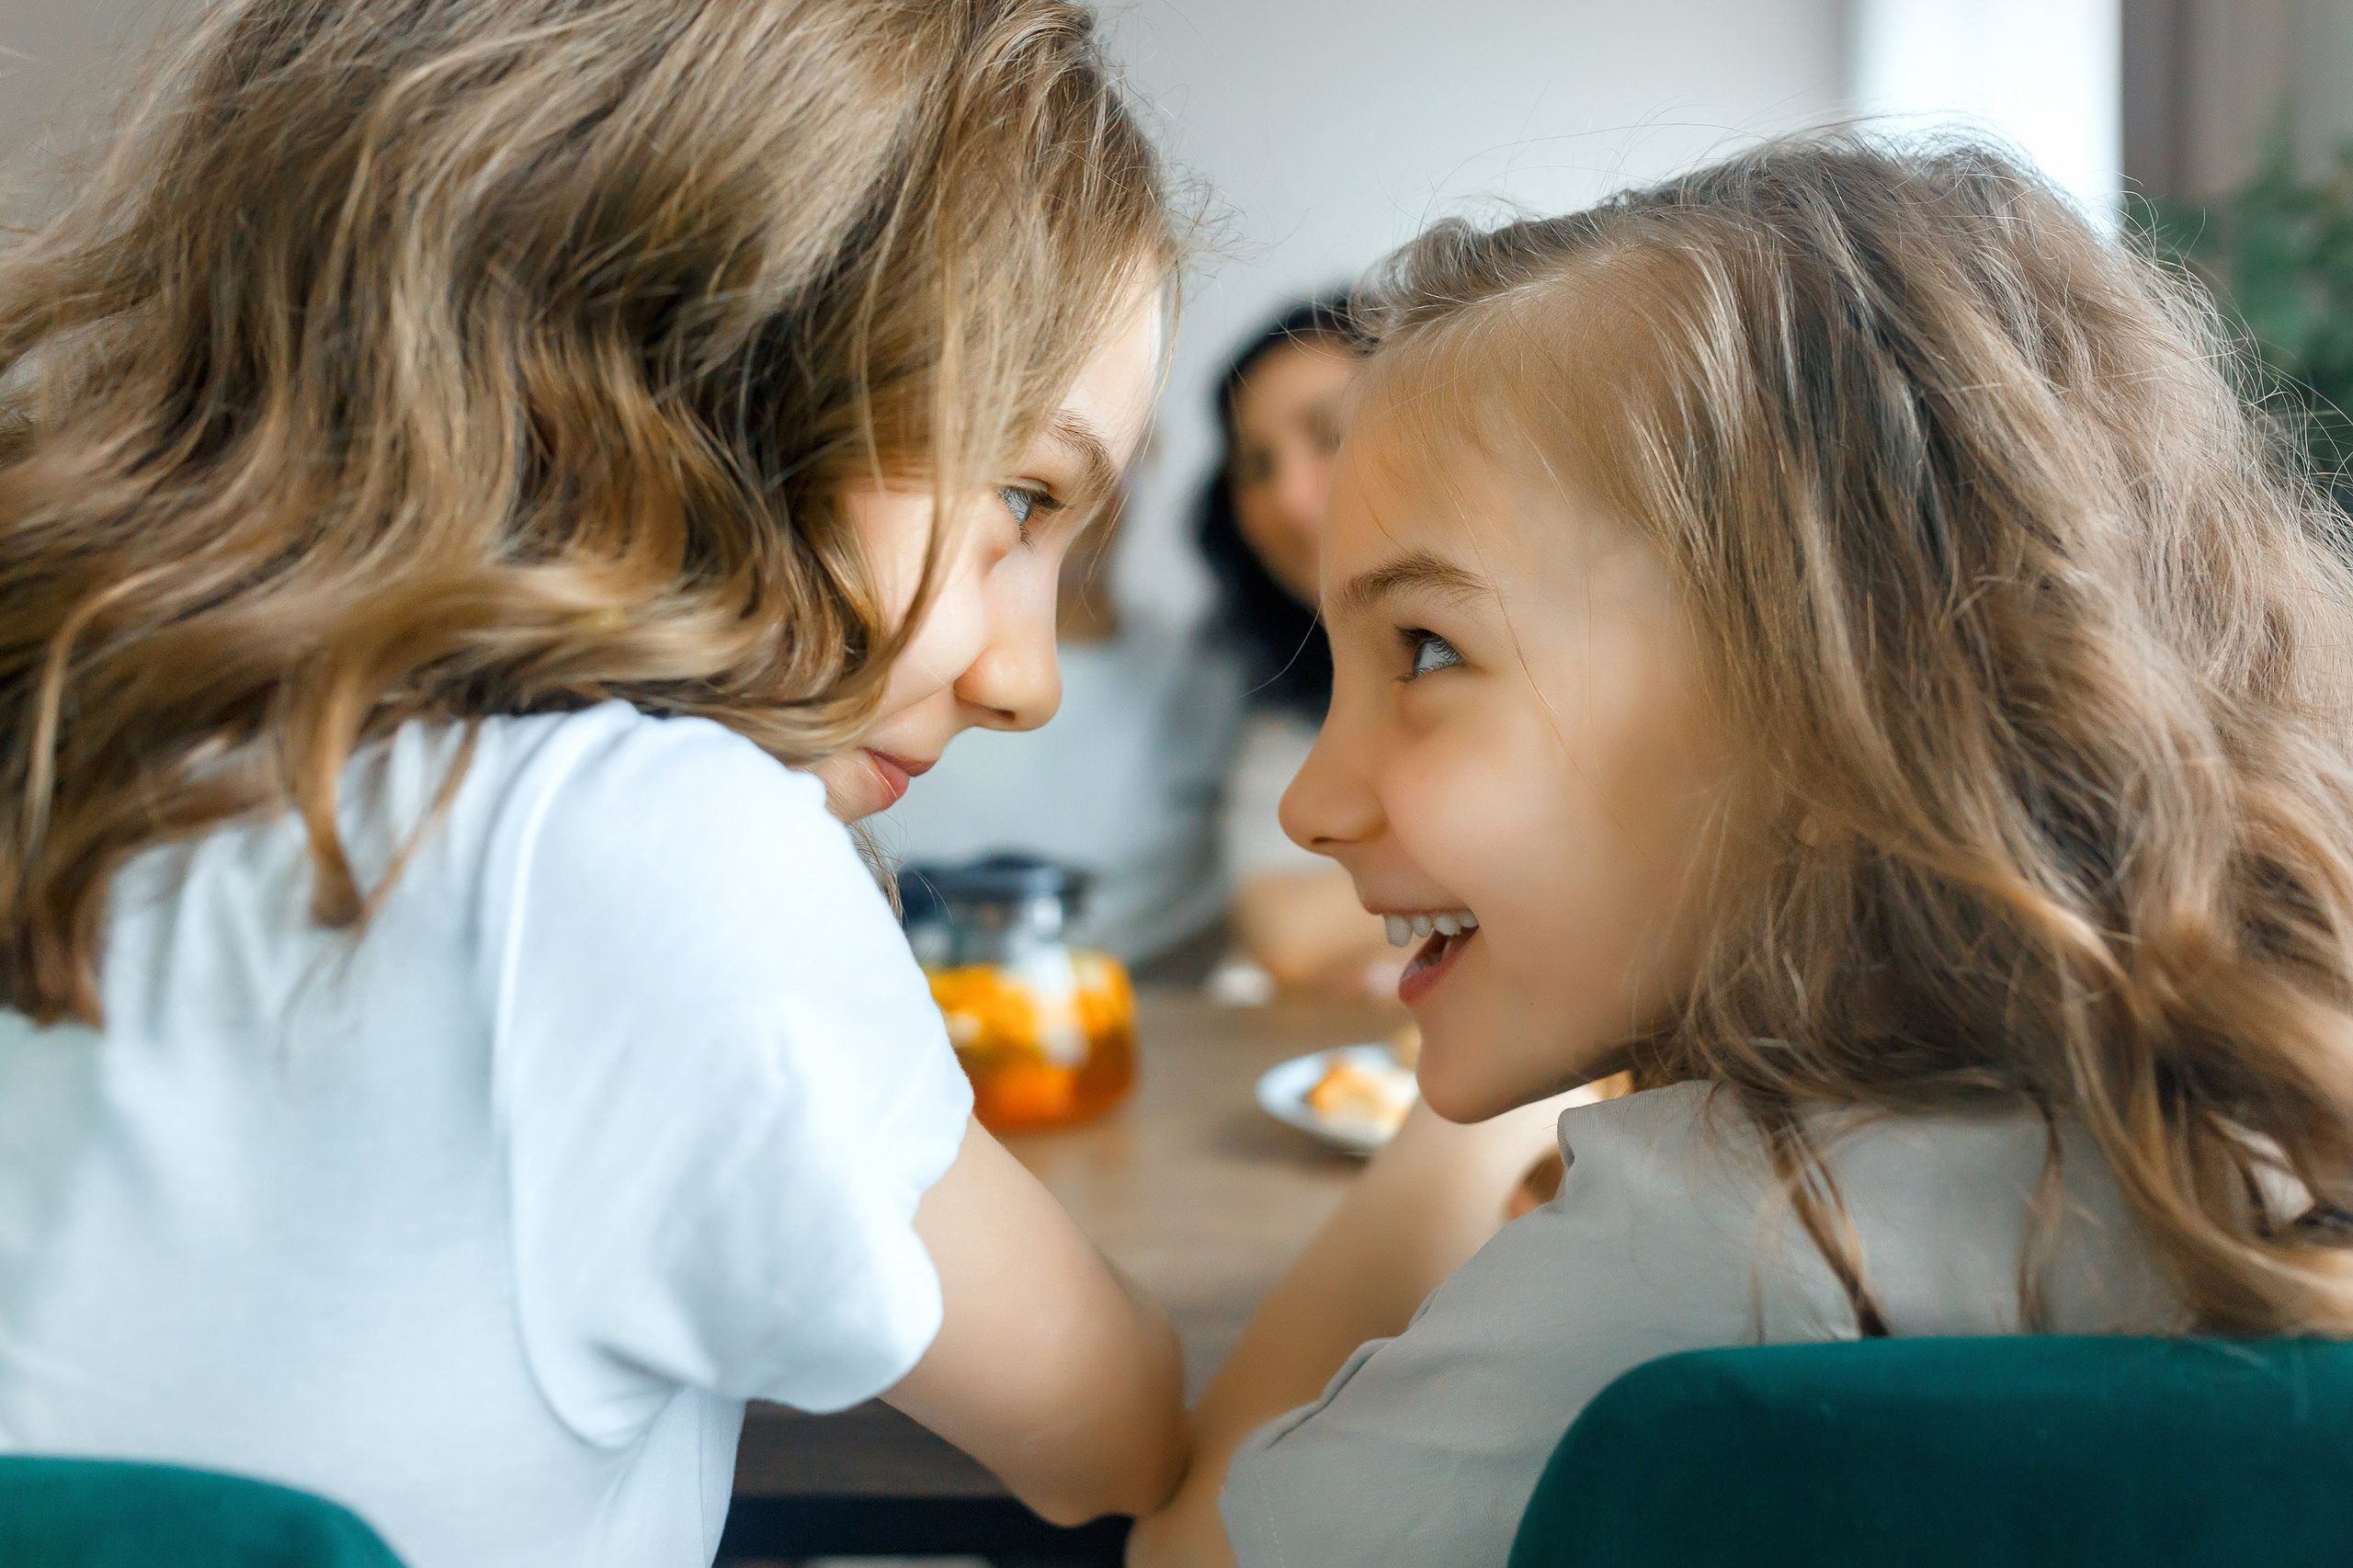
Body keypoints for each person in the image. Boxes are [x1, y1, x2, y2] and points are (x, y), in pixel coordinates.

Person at [0, 5, 1188, 1565]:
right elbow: (1116, 1433)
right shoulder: (640, 846)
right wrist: (1451, 1172)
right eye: (1024, 495)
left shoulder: (82, 719)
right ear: (717, 357)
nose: (1024, 677)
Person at [1131, 135, 2353, 1567]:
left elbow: (1200, 1552)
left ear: (1832, 711)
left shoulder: (1689, 1264)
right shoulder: (2265, 1106)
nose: (1314, 803)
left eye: (1425, 649)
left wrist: (1440, 1148)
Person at [1196, 299, 1397, 995]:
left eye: (1328, 435)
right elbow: (1283, 930)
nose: (1287, 498)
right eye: (1256, 466)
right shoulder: (1291, 699)